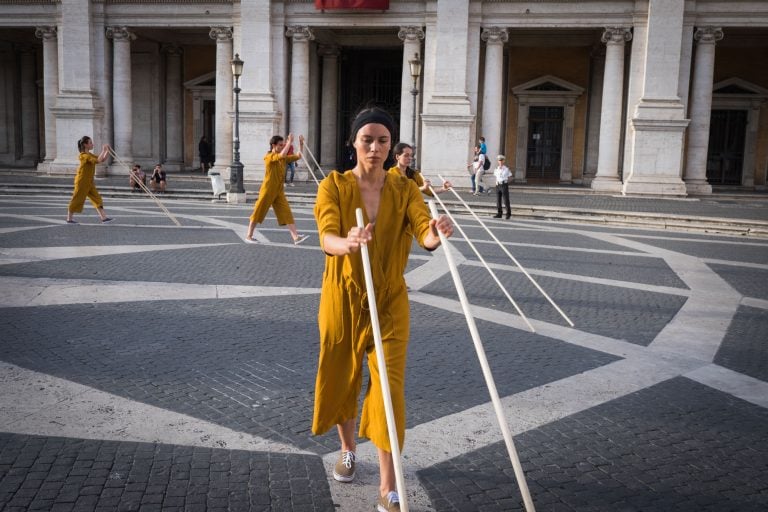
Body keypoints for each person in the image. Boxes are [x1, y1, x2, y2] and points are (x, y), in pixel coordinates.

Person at [312, 107, 454, 512]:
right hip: (342, 296)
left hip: (391, 298)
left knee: (389, 389)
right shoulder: (334, 186)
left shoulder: (404, 189)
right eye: (367, 139)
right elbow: (326, 237)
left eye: (383, 140)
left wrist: (435, 233)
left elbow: (422, 230)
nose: (374, 147)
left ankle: (389, 484)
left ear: (392, 147)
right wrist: (350, 241)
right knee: (342, 377)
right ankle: (348, 448)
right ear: (353, 143)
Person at [245, 133, 309, 245]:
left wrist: (301, 144)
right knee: (258, 211)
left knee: (286, 212)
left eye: (283, 144)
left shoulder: (283, 158)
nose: (282, 147)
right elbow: (281, 155)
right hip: (268, 190)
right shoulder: (268, 157)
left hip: (279, 190)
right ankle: (249, 236)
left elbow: (298, 156)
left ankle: (295, 237)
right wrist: (289, 142)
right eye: (280, 145)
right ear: (273, 145)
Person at [65, 136, 113, 224]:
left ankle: (104, 218)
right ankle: (69, 219)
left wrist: (107, 151)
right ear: (85, 145)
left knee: (97, 199)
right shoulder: (83, 156)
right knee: (77, 199)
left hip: (89, 181)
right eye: (90, 143)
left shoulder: (90, 155)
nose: (92, 144)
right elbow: (98, 160)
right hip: (82, 181)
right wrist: (103, 149)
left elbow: (101, 159)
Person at [493, 154, 512, 219]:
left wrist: (506, 182)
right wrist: (496, 183)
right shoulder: (496, 169)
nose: (500, 162)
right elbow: (496, 176)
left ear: (504, 161)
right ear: (498, 161)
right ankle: (499, 213)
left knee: (506, 200)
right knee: (498, 200)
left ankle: (508, 214)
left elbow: (510, 176)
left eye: (501, 160)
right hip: (498, 185)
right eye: (499, 160)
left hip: (504, 185)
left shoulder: (506, 169)